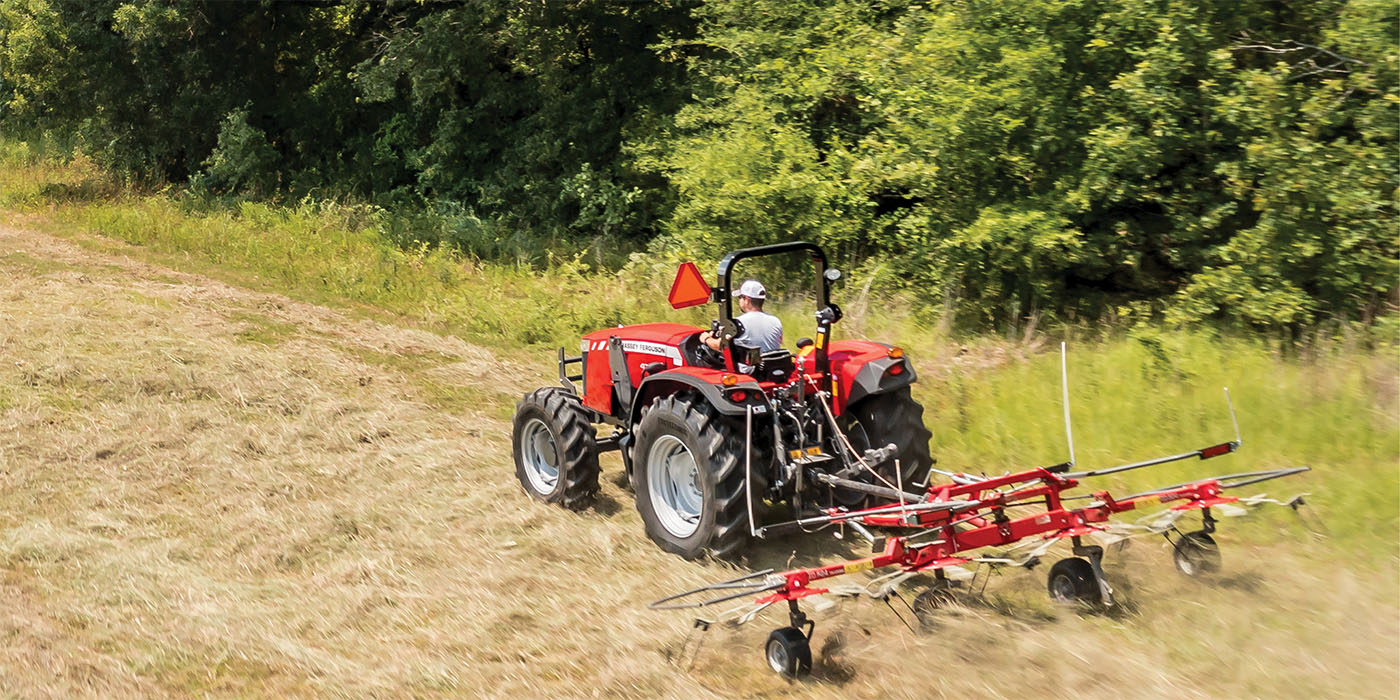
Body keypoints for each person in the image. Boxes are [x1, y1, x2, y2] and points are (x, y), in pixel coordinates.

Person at [700, 279, 784, 354]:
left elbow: (721, 346)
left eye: (740, 297)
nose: (739, 301)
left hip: (749, 370)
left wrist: (706, 339)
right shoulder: (776, 321)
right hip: (771, 367)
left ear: (747, 300)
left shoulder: (737, 324)